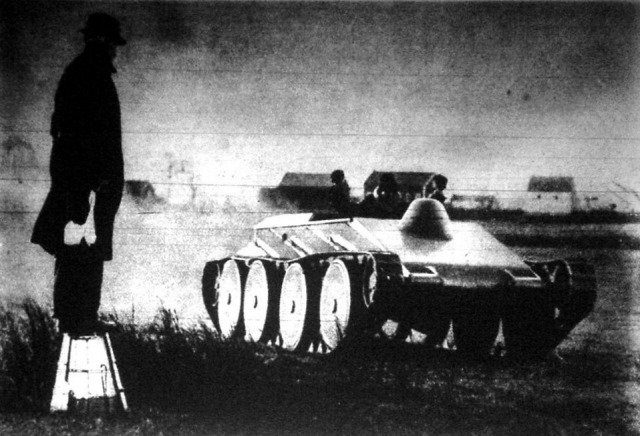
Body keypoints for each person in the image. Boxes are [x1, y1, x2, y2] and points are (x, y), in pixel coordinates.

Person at [31, 12, 127, 335]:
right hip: (85, 183)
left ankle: (75, 316)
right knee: (81, 248)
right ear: (101, 41)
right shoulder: (89, 75)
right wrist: (95, 178)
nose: (115, 50)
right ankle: (79, 318)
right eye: (112, 43)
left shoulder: (82, 73)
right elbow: (79, 134)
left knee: (79, 247)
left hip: (82, 181)